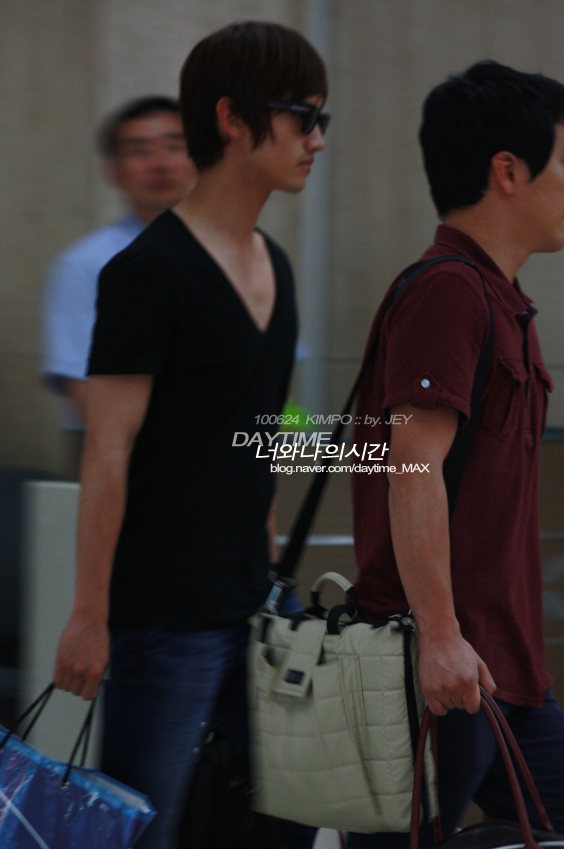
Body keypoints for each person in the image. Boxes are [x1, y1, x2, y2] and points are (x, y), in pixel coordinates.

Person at [53, 21, 328, 849]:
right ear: (234, 118)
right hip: (164, 620)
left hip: (259, 606)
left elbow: (260, 430)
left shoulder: (277, 266)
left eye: (322, 119)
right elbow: (107, 452)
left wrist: (270, 561)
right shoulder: (146, 271)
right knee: (146, 828)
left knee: (291, 823)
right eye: (302, 116)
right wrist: (89, 616)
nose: (317, 139)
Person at [349, 61, 564, 847]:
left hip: (508, 667)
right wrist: (440, 636)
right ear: (508, 172)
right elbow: (411, 469)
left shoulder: (503, 299)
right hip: (442, 670)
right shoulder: (448, 291)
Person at [41, 96, 196, 475]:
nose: (160, 163)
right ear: (114, 171)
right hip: (123, 463)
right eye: (139, 150)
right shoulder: (87, 264)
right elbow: (85, 392)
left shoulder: (242, 253)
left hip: (226, 462)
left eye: (175, 146)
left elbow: (274, 382)